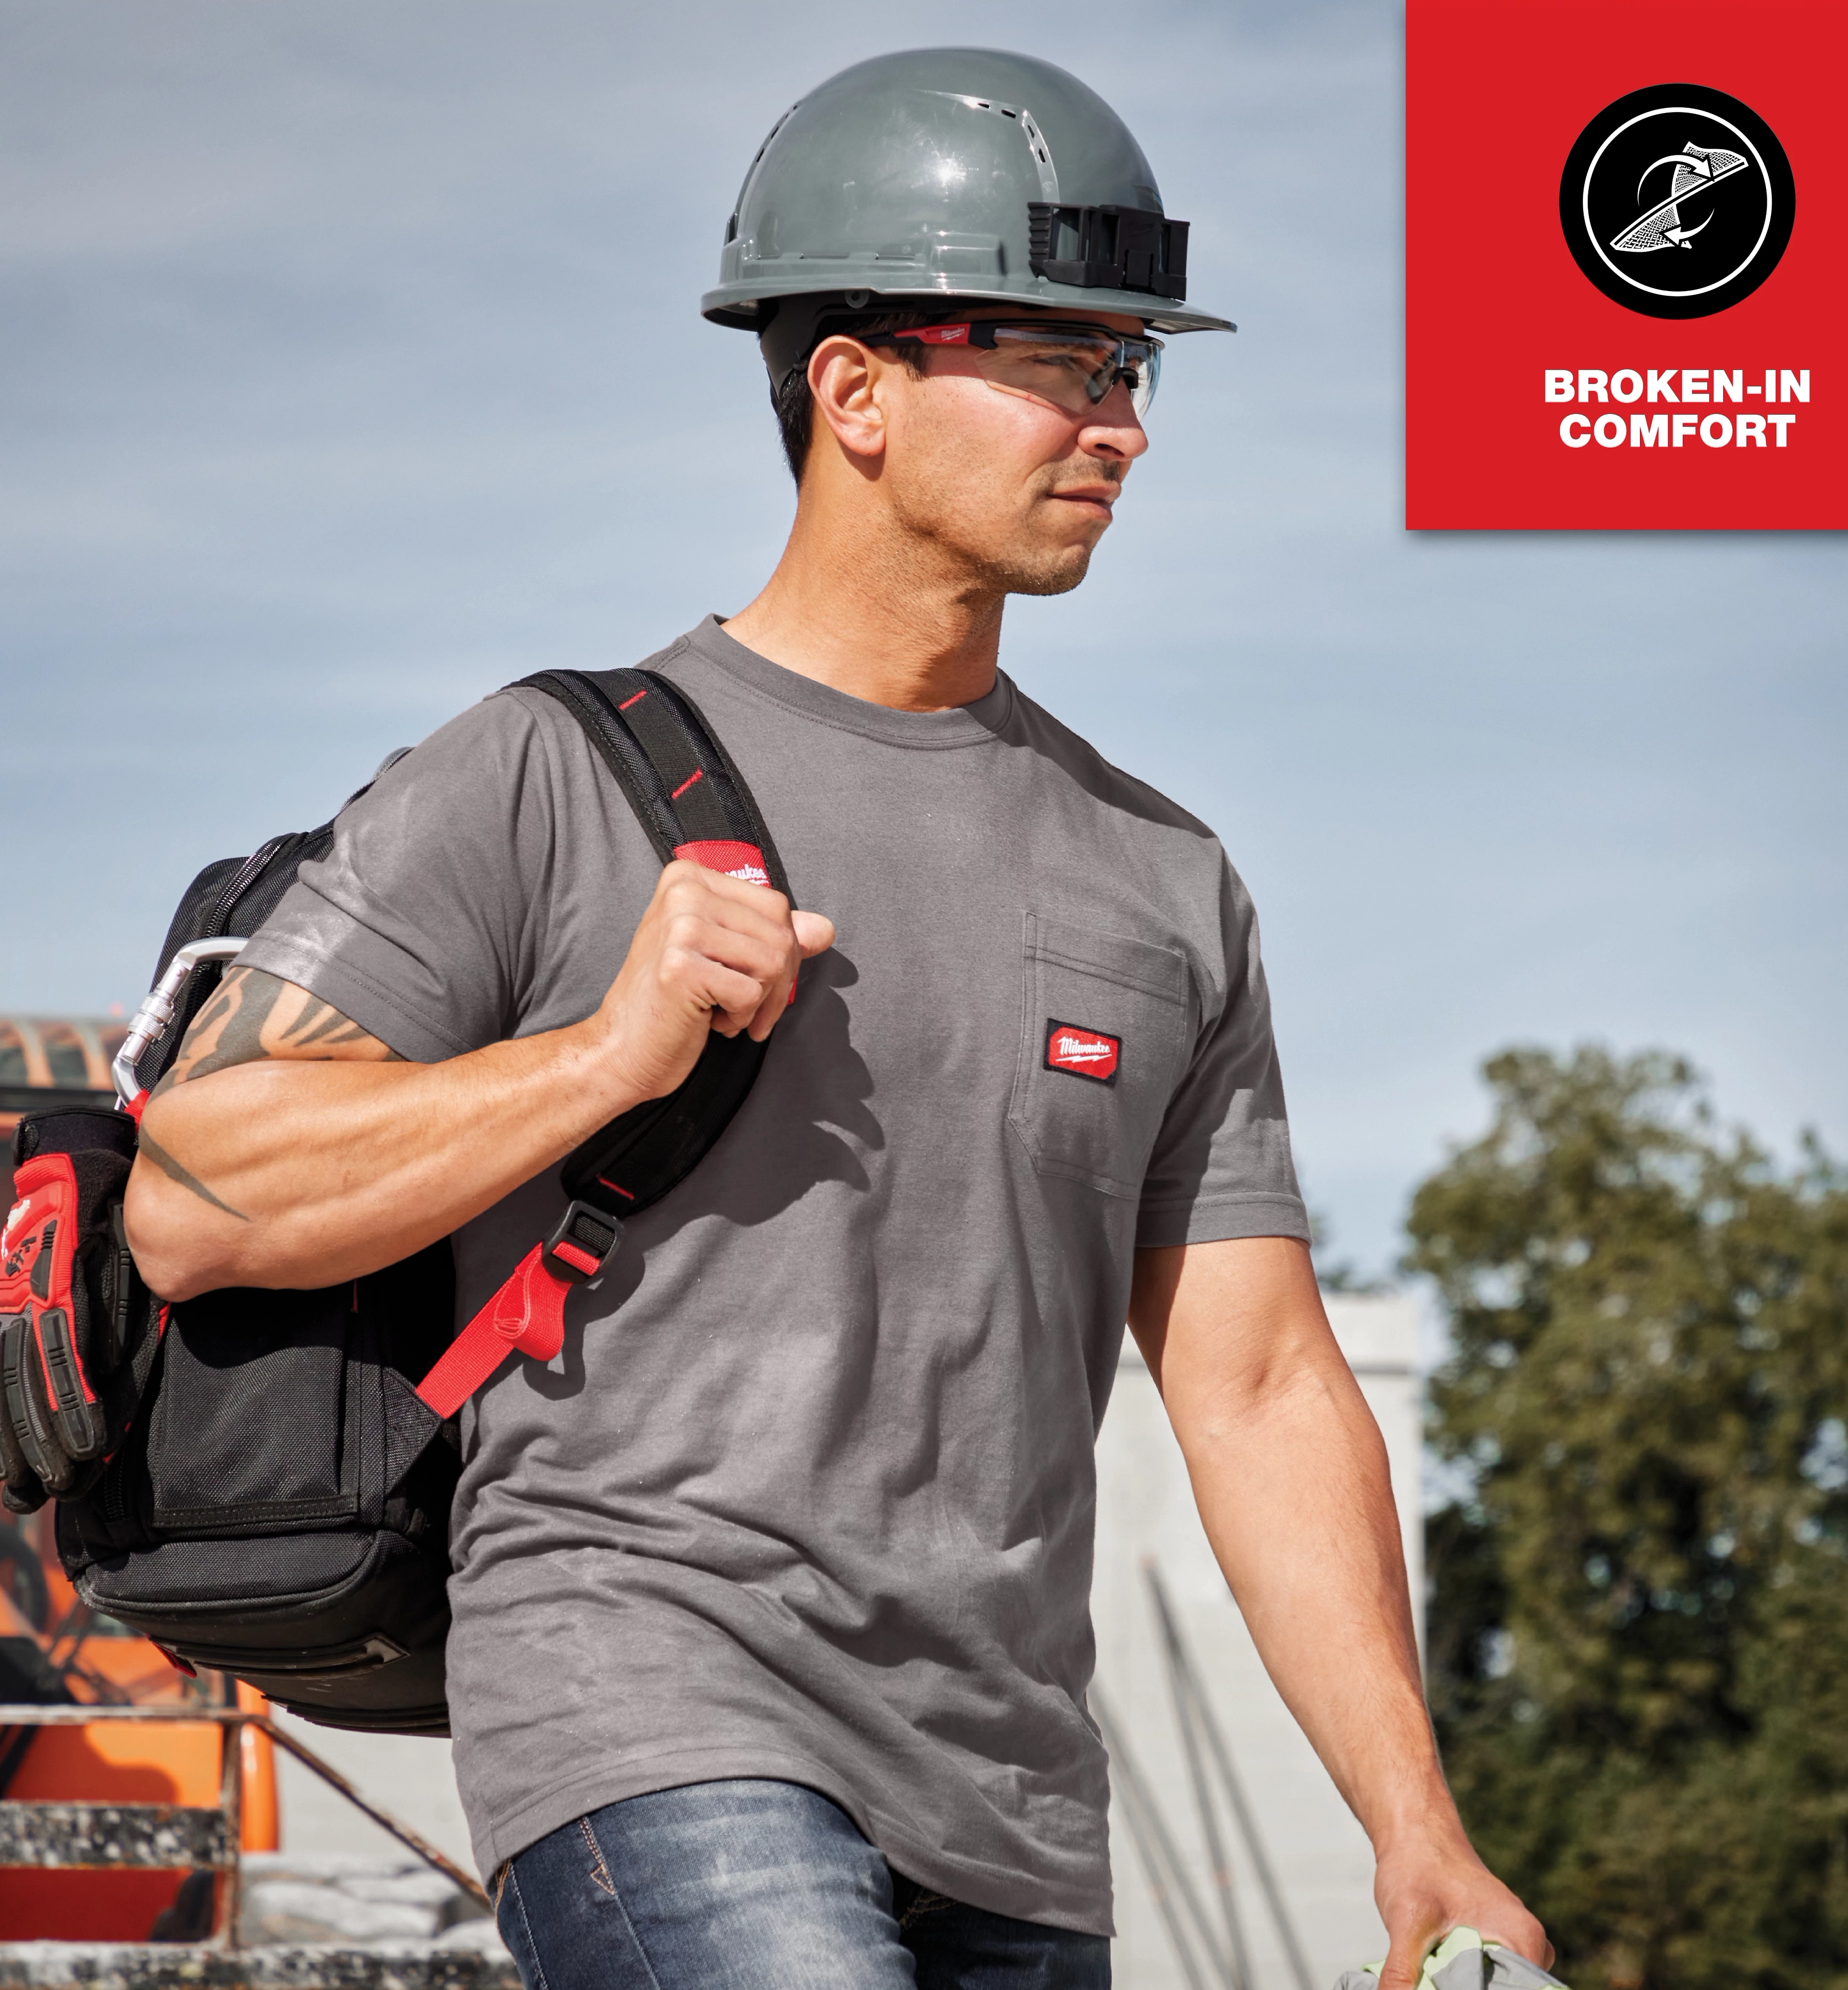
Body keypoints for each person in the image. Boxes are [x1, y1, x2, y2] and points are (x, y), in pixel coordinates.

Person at [124, 46, 1547, 1990]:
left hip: (1016, 1803)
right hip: (652, 1706)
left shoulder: (1165, 879)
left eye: (1131, 369)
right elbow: (195, 1193)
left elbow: (1261, 1384)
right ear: (852, 391)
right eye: (1054, 359)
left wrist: (1416, 1827)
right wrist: (603, 1057)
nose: (1116, 422)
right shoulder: (549, 775)